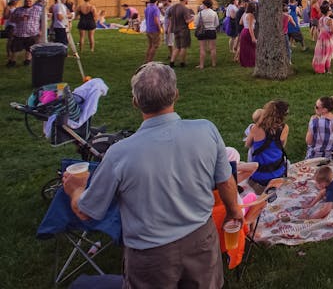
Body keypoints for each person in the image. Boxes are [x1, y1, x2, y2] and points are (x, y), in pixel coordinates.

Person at [61, 62, 242, 289]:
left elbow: (86, 210)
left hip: (152, 254)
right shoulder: (206, 130)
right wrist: (234, 211)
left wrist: (75, 189)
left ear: (135, 102)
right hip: (201, 241)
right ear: (176, 95)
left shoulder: (119, 154)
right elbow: (225, 181)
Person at [245, 99, 290, 193]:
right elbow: (282, 146)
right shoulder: (284, 127)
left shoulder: (256, 128)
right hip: (278, 171)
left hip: (259, 176)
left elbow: (248, 144)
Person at [166, 0, 194, 68]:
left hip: (175, 29)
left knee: (177, 47)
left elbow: (169, 17)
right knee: (183, 47)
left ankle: (172, 62)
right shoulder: (184, 9)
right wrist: (193, 18)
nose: (188, 1)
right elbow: (187, 21)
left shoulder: (173, 7)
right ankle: (182, 62)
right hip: (183, 30)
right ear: (185, 0)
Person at [194, 0, 219, 69]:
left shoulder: (200, 13)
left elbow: (196, 23)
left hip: (202, 32)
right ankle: (213, 64)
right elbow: (217, 23)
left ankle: (201, 65)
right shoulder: (214, 13)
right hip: (211, 31)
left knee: (202, 49)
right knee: (213, 49)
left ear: (204, 4)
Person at [313, 2, 333, 73]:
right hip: (328, 38)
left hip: (321, 38)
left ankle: (320, 67)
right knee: (328, 54)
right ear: (328, 11)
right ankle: (327, 69)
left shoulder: (320, 19)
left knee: (321, 54)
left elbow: (319, 29)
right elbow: (332, 30)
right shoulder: (330, 20)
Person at [143, 0, 163, 64]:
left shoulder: (147, 8)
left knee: (150, 45)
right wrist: (159, 28)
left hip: (148, 29)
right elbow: (156, 20)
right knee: (155, 45)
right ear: (156, 1)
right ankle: (150, 61)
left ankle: (147, 60)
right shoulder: (155, 8)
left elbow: (146, 17)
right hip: (154, 30)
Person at [238, 1, 258, 68]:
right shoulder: (250, 15)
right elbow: (250, 27)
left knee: (245, 48)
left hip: (244, 31)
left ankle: (244, 62)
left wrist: (245, 24)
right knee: (251, 47)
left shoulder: (244, 13)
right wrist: (253, 37)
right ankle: (251, 63)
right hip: (248, 32)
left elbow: (240, 22)